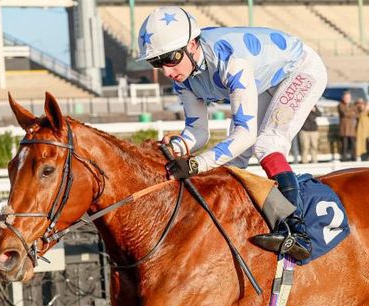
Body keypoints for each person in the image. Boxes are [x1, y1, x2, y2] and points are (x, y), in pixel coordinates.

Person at [138, 6, 328, 260]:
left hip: (300, 69)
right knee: (234, 160)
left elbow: (245, 135)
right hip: (265, 80)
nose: (167, 72)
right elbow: (198, 132)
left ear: (192, 45)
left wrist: (196, 164)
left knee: (266, 144)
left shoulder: (230, 59)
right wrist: (177, 148)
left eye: (170, 58)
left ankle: (298, 231)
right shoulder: (182, 77)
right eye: (156, 62)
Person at [337, 92, 357, 162]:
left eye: (348, 98)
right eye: (346, 98)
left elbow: (356, 114)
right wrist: (351, 113)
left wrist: (350, 112)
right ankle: (344, 159)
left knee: (353, 144)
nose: (347, 99)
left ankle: (354, 158)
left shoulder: (352, 105)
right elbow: (344, 113)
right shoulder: (340, 105)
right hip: (344, 128)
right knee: (344, 145)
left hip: (352, 128)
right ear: (343, 98)